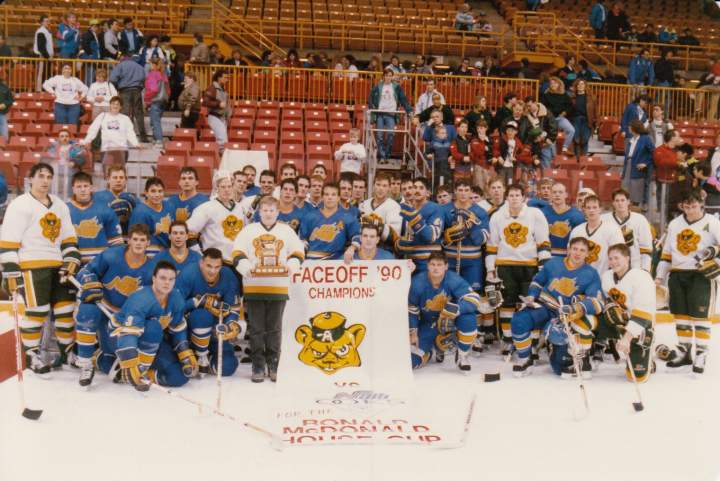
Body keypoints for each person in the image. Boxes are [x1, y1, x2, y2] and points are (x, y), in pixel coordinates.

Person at [0, 163, 81, 373]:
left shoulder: (60, 205)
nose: (45, 180)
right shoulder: (19, 205)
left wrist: (70, 260)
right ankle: (31, 355)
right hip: (32, 266)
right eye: (41, 176)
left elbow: (69, 238)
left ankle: (67, 353)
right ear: (31, 179)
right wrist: (11, 270)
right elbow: (8, 241)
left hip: (58, 267)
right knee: (37, 311)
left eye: (49, 177)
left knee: (66, 310)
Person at [73, 223, 156, 385]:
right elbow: (84, 271)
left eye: (142, 240)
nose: (138, 243)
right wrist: (90, 281)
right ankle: (85, 364)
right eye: (135, 239)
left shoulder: (152, 268)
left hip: (125, 319)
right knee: (87, 310)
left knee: (112, 361)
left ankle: (96, 356)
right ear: (128, 240)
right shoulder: (111, 255)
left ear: (148, 243)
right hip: (103, 309)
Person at [233, 195, 305, 382]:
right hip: (254, 287)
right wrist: (246, 267)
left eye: (272, 210)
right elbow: (237, 252)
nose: (268, 213)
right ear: (259, 212)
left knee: (274, 328)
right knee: (256, 328)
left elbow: (298, 251)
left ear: (278, 212)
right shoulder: (249, 230)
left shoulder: (286, 230)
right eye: (265, 210)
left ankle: (274, 363)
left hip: (278, 287)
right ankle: (257, 365)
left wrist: (292, 265)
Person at [510, 237, 602, 377]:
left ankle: (558, 347)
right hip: (545, 307)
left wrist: (574, 308)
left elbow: (596, 302)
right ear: (568, 250)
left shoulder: (591, 273)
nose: (577, 253)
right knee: (519, 319)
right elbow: (537, 282)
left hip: (565, 315)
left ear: (587, 254)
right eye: (575, 249)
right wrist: (532, 296)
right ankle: (525, 358)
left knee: (560, 369)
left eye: (582, 250)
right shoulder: (553, 263)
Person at [98, 261, 195, 391]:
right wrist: (130, 361)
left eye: (171, 279)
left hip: (151, 341)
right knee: (153, 328)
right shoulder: (141, 299)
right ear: (154, 279)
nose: (167, 283)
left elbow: (177, 327)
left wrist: (184, 351)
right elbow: (128, 334)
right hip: (119, 337)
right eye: (163, 278)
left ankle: (130, 375)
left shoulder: (176, 298)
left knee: (179, 376)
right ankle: (124, 365)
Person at [655, 190, 720, 375]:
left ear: (701, 204)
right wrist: (659, 277)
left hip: (701, 276)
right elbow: (666, 253)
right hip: (677, 274)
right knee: (681, 316)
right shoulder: (675, 224)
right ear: (682, 206)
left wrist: (714, 255)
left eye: (694, 206)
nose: (690, 210)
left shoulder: (713, 222)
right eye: (687, 206)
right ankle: (684, 353)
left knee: (700, 317)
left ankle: (701, 353)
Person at [486, 183, 550, 354]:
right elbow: (492, 245)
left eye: (517, 195)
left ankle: (533, 341)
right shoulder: (497, 216)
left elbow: (543, 242)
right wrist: (490, 269)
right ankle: (508, 340)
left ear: (524, 197)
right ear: (506, 198)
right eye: (511, 195)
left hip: (529, 265)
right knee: (506, 303)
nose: (514, 198)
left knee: (531, 303)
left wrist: (544, 268)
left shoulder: (535, 214)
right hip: (505, 265)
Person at [408, 251, 481, 370]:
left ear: (446, 266)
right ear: (427, 265)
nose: (436, 268)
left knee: (469, 319)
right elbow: (411, 308)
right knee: (411, 362)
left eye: (439, 265)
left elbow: (474, 299)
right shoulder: (417, 282)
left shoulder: (453, 279)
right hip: (428, 323)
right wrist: (413, 332)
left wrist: (456, 309)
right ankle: (432, 350)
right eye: (433, 264)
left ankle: (462, 355)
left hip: (450, 321)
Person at [176, 248, 241, 376]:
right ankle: (200, 355)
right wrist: (196, 302)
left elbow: (233, 307)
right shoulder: (189, 273)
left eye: (217, 267)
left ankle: (207, 360)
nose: (212, 271)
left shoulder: (228, 275)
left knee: (228, 367)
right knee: (202, 316)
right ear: (201, 263)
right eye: (209, 266)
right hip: (192, 329)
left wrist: (230, 324)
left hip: (215, 329)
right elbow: (175, 307)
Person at [440, 181, 490, 346]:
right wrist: (447, 237)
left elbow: (483, 237)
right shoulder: (445, 210)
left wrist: (469, 228)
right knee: (448, 295)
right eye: (460, 190)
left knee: (472, 296)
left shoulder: (480, 211)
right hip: (450, 259)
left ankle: (473, 334)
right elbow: (437, 236)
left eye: (466, 190)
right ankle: (447, 332)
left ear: (470, 191)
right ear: (455, 192)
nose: (463, 193)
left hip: (472, 261)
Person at [599, 243, 656, 382]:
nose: (613, 262)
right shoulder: (606, 276)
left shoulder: (641, 277)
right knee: (589, 320)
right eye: (610, 258)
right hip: (618, 322)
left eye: (617, 258)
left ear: (627, 258)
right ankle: (590, 354)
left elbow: (644, 312)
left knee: (636, 377)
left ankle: (647, 355)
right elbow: (604, 301)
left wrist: (627, 338)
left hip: (640, 326)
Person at [185, 172, 247, 267]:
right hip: (215, 263)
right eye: (223, 187)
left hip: (238, 261)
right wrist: (199, 255)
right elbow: (188, 232)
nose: (227, 190)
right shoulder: (206, 208)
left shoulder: (241, 208)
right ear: (216, 188)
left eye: (229, 186)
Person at [67, 172, 123, 265]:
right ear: (73, 189)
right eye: (79, 187)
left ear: (91, 188)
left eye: (86, 186)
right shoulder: (64, 210)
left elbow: (116, 243)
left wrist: (113, 263)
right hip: (73, 264)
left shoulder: (105, 210)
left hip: (100, 265)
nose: (83, 190)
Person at [395, 177, 444, 272]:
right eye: (414, 187)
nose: (417, 190)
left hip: (429, 261)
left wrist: (414, 218)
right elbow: (401, 235)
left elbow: (430, 236)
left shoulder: (436, 208)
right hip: (408, 261)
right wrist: (398, 243)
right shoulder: (405, 208)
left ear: (428, 192)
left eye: (421, 188)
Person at [301, 183, 360, 260]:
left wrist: (352, 248)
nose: (330, 197)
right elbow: (302, 239)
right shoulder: (310, 216)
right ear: (322, 197)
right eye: (326, 194)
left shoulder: (347, 217)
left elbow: (357, 236)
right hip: (312, 260)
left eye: (333, 195)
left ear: (338, 198)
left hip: (336, 260)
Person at [569, 194, 624, 274]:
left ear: (600, 209)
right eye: (588, 208)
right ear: (584, 210)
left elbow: (619, 256)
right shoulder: (577, 231)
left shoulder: (612, 230)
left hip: (603, 277)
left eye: (594, 207)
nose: (591, 210)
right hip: (579, 276)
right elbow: (570, 256)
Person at [601, 189, 653, 271]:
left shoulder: (640, 220)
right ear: (613, 203)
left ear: (628, 202)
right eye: (617, 200)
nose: (620, 203)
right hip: (610, 267)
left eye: (622, 200)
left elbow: (646, 249)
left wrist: (645, 270)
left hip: (633, 267)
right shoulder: (603, 219)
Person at [80, 96, 141, 165]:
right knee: (107, 171)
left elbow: (130, 133)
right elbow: (93, 130)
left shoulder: (125, 118)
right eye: (113, 104)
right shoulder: (102, 116)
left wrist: (136, 143)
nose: (115, 106)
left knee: (118, 171)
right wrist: (86, 141)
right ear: (110, 105)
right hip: (106, 149)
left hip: (121, 149)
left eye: (117, 104)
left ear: (121, 107)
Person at [368, 69, 413, 162]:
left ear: (392, 77)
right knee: (379, 136)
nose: (388, 77)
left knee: (390, 134)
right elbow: (370, 98)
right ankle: (382, 156)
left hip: (391, 114)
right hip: (380, 114)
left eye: (390, 75)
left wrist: (409, 110)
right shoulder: (377, 86)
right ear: (383, 76)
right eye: (386, 75)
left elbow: (403, 99)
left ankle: (387, 155)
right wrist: (372, 109)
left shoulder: (397, 87)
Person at [128, 177, 173, 257]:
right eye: (153, 191)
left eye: (160, 191)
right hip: (150, 254)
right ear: (146, 192)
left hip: (170, 251)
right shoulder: (140, 212)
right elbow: (136, 241)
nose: (157, 195)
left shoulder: (169, 206)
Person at [110, 50, 148, 142]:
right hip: (137, 90)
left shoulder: (121, 65)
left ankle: (125, 136)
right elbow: (145, 78)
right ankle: (143, 137)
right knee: (139, 114)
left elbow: (112, 79)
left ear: (123, 57)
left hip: (124, 91)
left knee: (125, 114)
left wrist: (117, 87)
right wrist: (140, 87)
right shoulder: (139, 66)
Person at [358, 173, 402, 251]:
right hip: (363, 247)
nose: (381, 188)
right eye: (378, 184)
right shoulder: (364, 204)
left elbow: (394, 236)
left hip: (384, 249)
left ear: (389, 188)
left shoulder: (394, 206)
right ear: (373, 186)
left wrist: (376, 224)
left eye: (384, 186)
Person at [541, 181, 585, 258]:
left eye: (560, 192)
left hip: (569, 257)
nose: (557, 195)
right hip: (546, 256)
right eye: (554, 192)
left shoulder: (577, 215)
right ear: (550, 194)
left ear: (566, 195)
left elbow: (581, 241)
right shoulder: (542, 213)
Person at [95, 164, 137, 236]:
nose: (118, 180)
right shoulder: (97, 198)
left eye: (121, 177)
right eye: (115, 177)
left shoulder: (133, 200)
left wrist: (130, 216)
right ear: (108, 179)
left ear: (126, 180)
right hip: (104, 238)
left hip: (126, 238)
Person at [622, 120, 655, 210]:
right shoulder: (630, 139)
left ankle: (638, 207)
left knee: (636, 189)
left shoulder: (646, 138)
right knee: (626, 187)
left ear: (634, 128)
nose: (628, 128)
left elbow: (653, 152)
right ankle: (628, 206)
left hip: (638, 167)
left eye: (630, 126)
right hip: (629, 164)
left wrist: (646, 163)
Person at [491, 120, 532, 185]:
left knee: (510, 183)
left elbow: (522, 154)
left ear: (516, 132)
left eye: (512, 130)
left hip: (511, 167)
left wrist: (516, 158)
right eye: (508, 130)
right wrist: (498, 157)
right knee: (501, 182)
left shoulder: (518, 142)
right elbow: (495, 149)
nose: (510, 132)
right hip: (502, 166)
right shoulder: (501, 139)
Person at [541, 76, 575, 154]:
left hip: (560, 118)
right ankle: (554, 156)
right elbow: (543, 107)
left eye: (555, 83)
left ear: (559, 84)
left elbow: (570, 106)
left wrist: (565, 112)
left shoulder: (564, 94)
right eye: (551, 83)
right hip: (550, 120)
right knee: (553, 138)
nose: (553, 85)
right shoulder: (546, 95)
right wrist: (549, 115)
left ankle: (565, 148)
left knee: (571, 130)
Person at [144, 58, 170, 146]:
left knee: (155, 122)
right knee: (155, 121)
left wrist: (146, 98)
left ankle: (159, 140)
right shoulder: (164, 75)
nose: (149, 66)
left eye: (150, 64)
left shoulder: (153, 74)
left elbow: (153, 90)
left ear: (154, 65)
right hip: (163, 101)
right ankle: (156, 139)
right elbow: (168, 90)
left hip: (155, 101)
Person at [203, 69, 230, 150]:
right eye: (225, 77)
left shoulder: (222, 88)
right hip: (215, 116)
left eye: (227, 78)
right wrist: (218, 104)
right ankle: (220, 156)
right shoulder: (212, 88)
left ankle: (218, 155)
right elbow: (205, 102)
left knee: (223, 141)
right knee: (222, 141)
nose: (227, 80)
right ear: (219, 78)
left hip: (222, 117)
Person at [569, 79, 596, 158]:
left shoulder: (591, 98)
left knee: (585, 140)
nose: (580, 86)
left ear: (585, 86)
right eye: (578, 84)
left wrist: (596, 123)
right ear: (576, 86)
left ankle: (584, 159)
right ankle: (576, 159)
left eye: (582, 84)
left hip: (587, 120)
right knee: (576, 140)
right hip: (575, 119)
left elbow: (596, 111)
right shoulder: (572, 98)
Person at [78, 19, 103, 85]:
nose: (96, 28)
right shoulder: (87, 34)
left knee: (92, 74)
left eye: (97, 26)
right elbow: (85, 45)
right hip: (90, 58)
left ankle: (90, 87)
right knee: (90, 74)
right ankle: (88, 87)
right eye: (94, 26)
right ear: (90, 26)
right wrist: (90, 55)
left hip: (94, 57)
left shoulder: (94, 34)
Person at [33, 15, 54, 91]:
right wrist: (48, 56)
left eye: (49, 21)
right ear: (41, 22)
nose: (48, 23)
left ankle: (45, 90)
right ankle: (39, 91)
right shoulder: (41, 32)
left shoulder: (46, 31)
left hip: (46, 56)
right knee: (41, 74)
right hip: (42, 56)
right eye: (46, 21)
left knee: (46, 74)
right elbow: (41, 47)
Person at [0, 75, 12, 142]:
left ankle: (4, 144)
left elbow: (10, 100)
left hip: (1, 113)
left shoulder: (5, 88)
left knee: (4, 134)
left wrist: (5, 104)